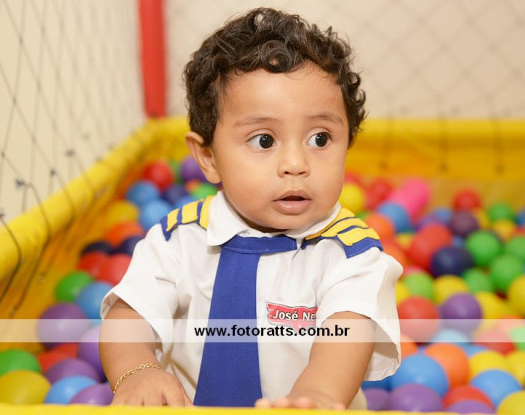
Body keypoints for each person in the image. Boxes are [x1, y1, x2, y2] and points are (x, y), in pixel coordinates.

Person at [99, 7, 402, 410]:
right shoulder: (179, 238)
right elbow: (129, 314)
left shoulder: (350, 252)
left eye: (320, 138)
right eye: (264, 141)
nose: (295, 163)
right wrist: (138, 372)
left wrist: (318, 396)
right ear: (208, 158)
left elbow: (347, 331)